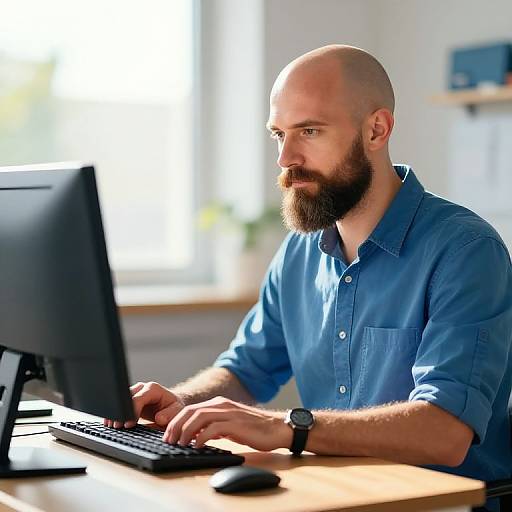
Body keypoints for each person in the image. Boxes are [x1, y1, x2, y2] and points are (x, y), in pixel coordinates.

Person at [106, 45, 512, 510]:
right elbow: (245, 370)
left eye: (309, 131)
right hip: (334, 495)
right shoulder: (300, 251)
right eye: (278, 134)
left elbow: (445, 431)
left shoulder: (465, 251)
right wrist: (180, 403)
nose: (285, 157)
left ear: (376, 129)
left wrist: (286, 428)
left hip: (441, 504)